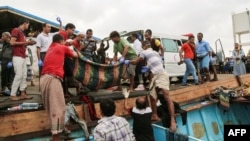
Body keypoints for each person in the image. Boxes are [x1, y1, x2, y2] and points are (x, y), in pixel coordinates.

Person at [129, 40, 177, 132]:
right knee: (151, 96)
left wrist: (127, 61)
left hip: (161, 74)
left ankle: (172, 121)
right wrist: (148, 67)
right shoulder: (155, 52)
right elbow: (157, 61)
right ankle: (154, 115)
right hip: (156, 75)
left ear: (144, 46)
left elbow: (135, 62)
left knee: (167, 97)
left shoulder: (144, 52)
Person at [40, 34, 80, 141]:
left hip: (43, 79)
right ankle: (56, 137)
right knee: (58, 108)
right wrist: (71, 47)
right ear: (62, 41)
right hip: (53, 78)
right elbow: (75, 55)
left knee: (50, 108)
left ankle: (57, 132)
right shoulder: (62, 47)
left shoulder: (50, 48)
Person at [9, 18, 36, 101]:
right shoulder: (16, 30)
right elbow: (12, 42)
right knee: (19, 75)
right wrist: (26, 43)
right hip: (17, 56)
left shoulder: (22, 33)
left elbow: (21, 44)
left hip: (22, 56)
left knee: (24, 75)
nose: (28, 26)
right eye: (28, 24)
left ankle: (22, 93)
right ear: (25, 23)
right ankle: (12, 95)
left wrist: (28, 43)